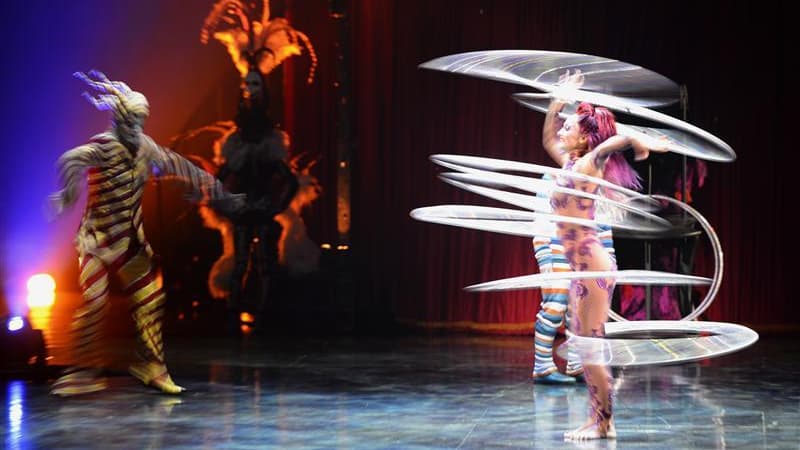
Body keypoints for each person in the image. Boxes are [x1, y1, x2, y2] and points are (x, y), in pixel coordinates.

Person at [48, 71, 243, 396]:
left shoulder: (146, 148)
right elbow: (71, 158)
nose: (138, 125)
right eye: (134, 118)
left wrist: (214, 188)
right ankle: (82, 371)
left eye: (143, 119)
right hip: (97, 241)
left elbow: (178, 164)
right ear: (121, 117)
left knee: (151, 298)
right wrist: (67, 195)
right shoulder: (104, 146)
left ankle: (150, 366)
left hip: (130, 242)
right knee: (95, 302)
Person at [541, 70, 669, 440]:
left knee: (590, 345)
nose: (564, 131)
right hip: (580, 270)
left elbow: (619, 138)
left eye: (570, 127)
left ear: (584, 137)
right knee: (583, 343)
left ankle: (605, 423)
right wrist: (557, 100)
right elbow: (549, 136)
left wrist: (640, 144)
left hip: (593, 267)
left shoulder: (589, 163)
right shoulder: (569, 164)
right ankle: (596, 418)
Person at [216, 68, 298, 336]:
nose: (250, 88)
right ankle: (232, 312)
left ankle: (261, 314)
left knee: (263, 263)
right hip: (245, 207)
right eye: (247, 84)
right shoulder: (236, 141)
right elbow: (221, 177)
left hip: (260, 207)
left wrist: (275, 206)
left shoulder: (269, 140)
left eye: (255, 84)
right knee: (241, 262)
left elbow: (289, 180)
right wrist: (226, 205)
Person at [531, 223, 614, 384]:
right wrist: (544, 252)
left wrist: (609, 257)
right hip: (557, 239)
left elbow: (604, 217)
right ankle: (542, 367)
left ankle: (576, 364)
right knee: (556, 303)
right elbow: (544, 215)